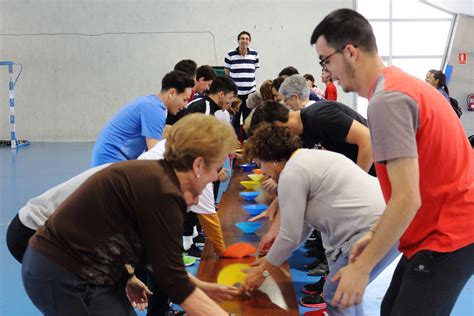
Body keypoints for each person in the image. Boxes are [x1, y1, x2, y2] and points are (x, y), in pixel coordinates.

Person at [311, 8, 474, 315]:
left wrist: (363, 268)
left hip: (450, 234)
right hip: (437, 229)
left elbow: (407, 198)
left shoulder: (388, 101)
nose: (327, 71)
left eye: (325, 60)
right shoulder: (397, 85)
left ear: (350, 52)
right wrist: (376, 234)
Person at [22, 114, 238, 316]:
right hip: (65, 273)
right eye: (216, 168)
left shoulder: (160, 177)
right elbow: (174, 283)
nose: (214, 177)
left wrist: (200, 286)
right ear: (198, 164)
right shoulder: (163, 192)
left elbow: (160, 260)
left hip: (81, 269)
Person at [240, 124, 399, 315]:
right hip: (390, 222)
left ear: (273, 159)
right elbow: (302, 228)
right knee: (347, 295)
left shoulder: (292, 173)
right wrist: (270, 259)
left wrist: (263, 270)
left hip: (370, 230)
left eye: (260, 163)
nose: (262, 171)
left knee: (336, 295)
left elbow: (290, 235)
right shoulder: (308, 158)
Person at [90, 70, 194, 167]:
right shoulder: (155, 110)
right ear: (171, 93)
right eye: (185, 99)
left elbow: (165, 130)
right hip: (109, 163)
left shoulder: (150, 103)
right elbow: (155, 155)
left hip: (106, 160)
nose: (185, 106)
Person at [250, 100, 374, 175]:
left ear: (276, 125)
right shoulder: (301, 134)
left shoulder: (318, 116)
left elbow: (368, 139)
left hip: (378, 168)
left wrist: (356, 182)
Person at [224, 31, 260, 137]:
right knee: (235, 117)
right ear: (238, 40)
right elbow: (227, 71)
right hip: (236, 94)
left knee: (248, 118)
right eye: (242, 38)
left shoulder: (255, 54)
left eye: (247, 39)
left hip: (250, 93)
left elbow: (253, 69)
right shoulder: (230, 55)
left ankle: (246, 140)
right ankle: (234, 141)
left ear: (249, 41)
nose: (244, 41)